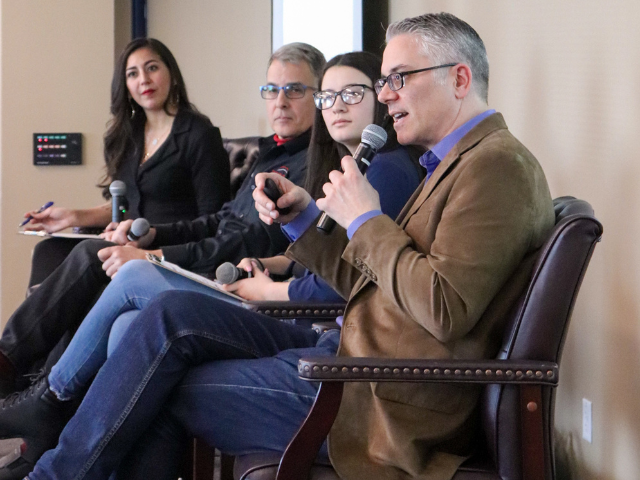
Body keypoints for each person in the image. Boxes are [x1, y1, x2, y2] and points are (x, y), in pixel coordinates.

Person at [5, 12, 556, 480]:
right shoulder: (452, 166)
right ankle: (50, 434)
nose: (386, 96)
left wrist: (365, 217)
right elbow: (374, 284)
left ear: (459, 78)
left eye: (399, 79)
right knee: (168, 315)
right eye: (384, 81)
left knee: (153, 380)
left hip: (373, 400)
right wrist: (306, 221)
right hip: (347, 355)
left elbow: (444, 309)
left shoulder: (496, 168)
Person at [0, 51, 422, 478]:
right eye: (328, 96)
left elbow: (348, 282)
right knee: (123, 316)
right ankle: (46, 414)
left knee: (135, 278)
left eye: (350, 93)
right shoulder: (334, 167)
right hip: (279, 300)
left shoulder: (381, 171)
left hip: (310, 326)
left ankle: (48, 411)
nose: (335, 105)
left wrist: (269, 286)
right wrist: (269, 256)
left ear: (381, 99)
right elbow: (315, 257)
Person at [0, 42, 324, 398]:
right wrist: (151, 233)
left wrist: (156, 253)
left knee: (99, 263)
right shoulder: (270, 154)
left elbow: (249, 239)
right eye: (271, 90)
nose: (280, 101)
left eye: (294, 90)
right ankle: (36, 393)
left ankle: (35, 388)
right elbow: (220, 221)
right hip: (198, 257)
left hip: (226, 274)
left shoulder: (308, 162)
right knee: (60, 256)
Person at [23, 37, 231, 286]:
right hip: (126, 242)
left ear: (172, 74)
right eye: (133, 74)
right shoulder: (127, 137)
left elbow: (214, 220)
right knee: (50, 250)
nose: (144, 79)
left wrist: (150, 234)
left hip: (168, 250)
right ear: (126, 86)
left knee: (90, 254)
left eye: (152, 68)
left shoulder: (199, 134)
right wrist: (71, 217)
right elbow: (123, 207)